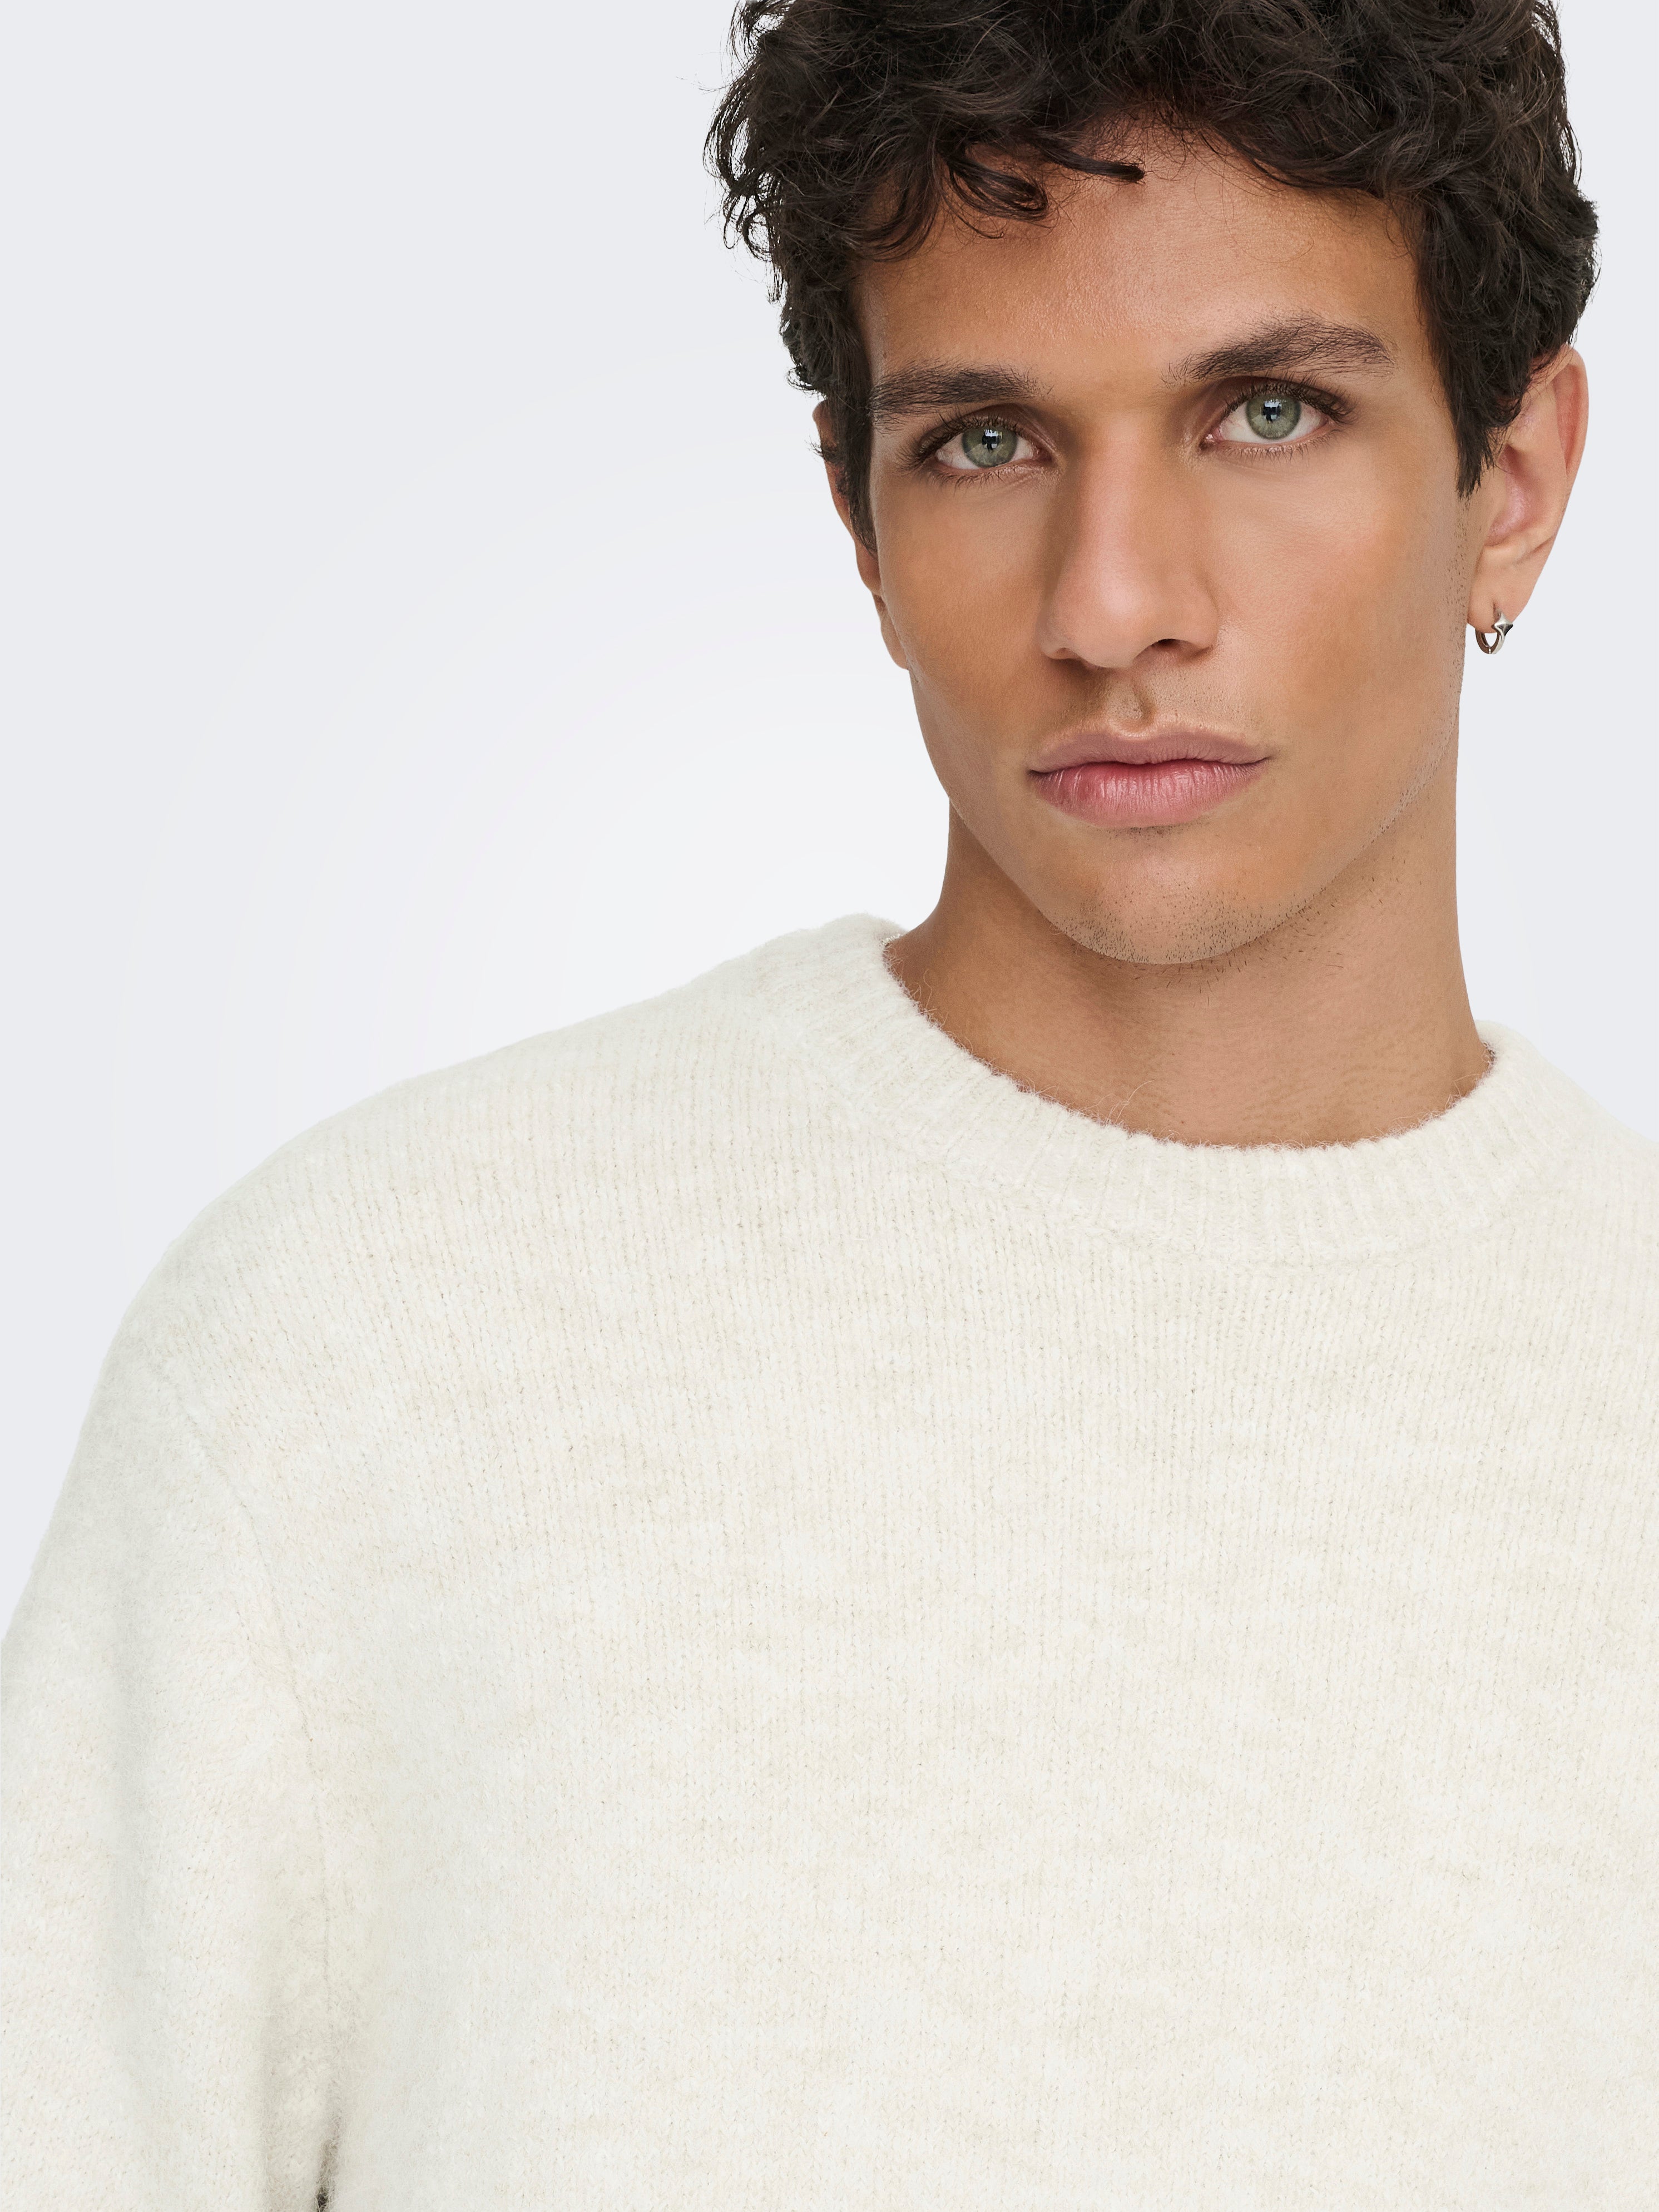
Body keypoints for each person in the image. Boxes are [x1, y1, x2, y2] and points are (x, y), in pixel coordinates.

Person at [4, 1, 1653, 2203]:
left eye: (1267, 411)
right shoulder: (364, 1352)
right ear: (857, 520)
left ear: (1511, 482)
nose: (1114, 605)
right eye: (986, 441)